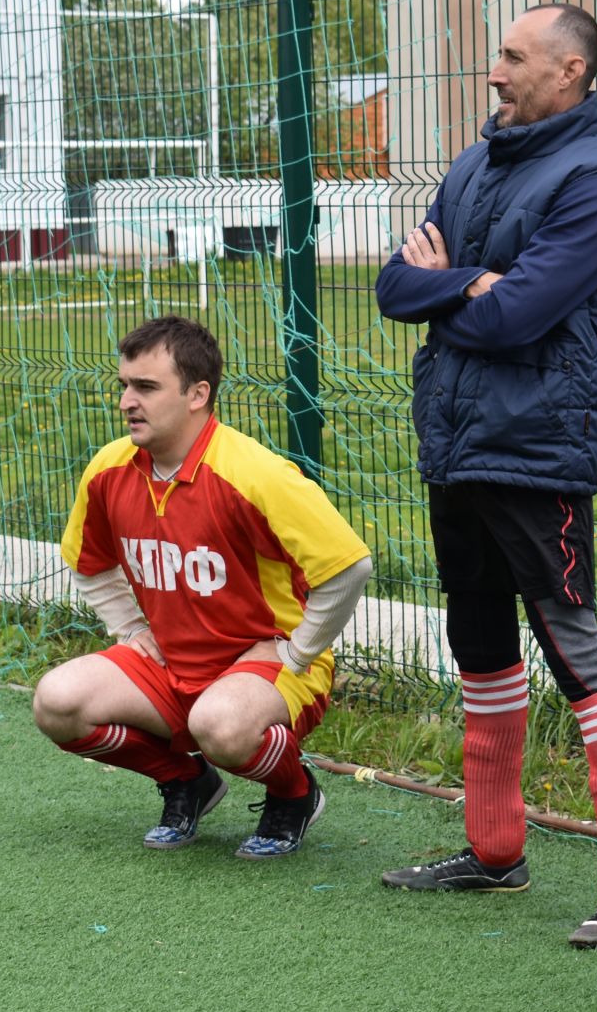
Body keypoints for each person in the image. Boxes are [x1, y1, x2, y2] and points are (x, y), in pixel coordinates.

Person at [373, 2, 597, 949]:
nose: (493, 74)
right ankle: (494, 850)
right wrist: (468, 284)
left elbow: (521, 319)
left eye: (512, 57)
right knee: (481, 651)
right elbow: (391, 288)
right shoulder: (475, 160)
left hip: (540, 457)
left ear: (572, 70)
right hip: (456, 446)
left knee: (577, 657)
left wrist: (452, 287)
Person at [33, 315, 373, 860]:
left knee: (219, 724)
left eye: (146, 387)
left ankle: (295, 794)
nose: (126, 401)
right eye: (123, 385)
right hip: (171, 663)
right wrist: (129, 629)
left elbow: (348, 566)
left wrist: (299, 650)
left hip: (266, 666)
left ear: (198, 394)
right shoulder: (109, 469)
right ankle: (188, 781)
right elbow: (86, 561)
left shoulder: (256, 473)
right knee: (56, 702)